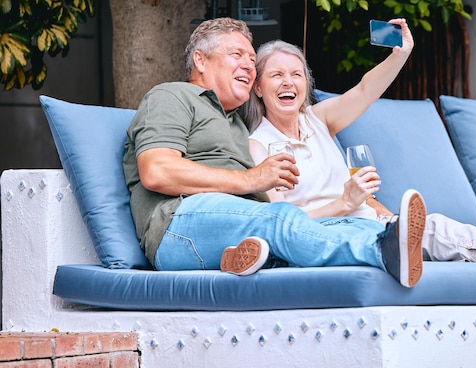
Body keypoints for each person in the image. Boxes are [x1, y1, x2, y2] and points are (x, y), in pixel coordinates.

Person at [244, 21, 476, 288]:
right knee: (433, 231)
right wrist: (344, 203)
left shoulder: (318, 119)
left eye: (296, 74)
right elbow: (284, 224)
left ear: (306, 84)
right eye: (276, 75)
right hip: (328, 233)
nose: (288, 82)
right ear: (258, 87)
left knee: (443, 228)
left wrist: (400, 54)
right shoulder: (258, 145)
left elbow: (366, 90)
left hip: (366, 220)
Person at [121, 17, 427, 289]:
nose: (248, 66)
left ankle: (242, 257)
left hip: (235, 227)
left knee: (354, 222)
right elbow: (156, 171)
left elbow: (359, 94)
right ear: (200, 61)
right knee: (279, 218)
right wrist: (253, 178)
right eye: (236, 55)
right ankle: (381, 251)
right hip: (178, 225)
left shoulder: (238, 125)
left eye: (252, 60)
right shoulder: (173, 95)